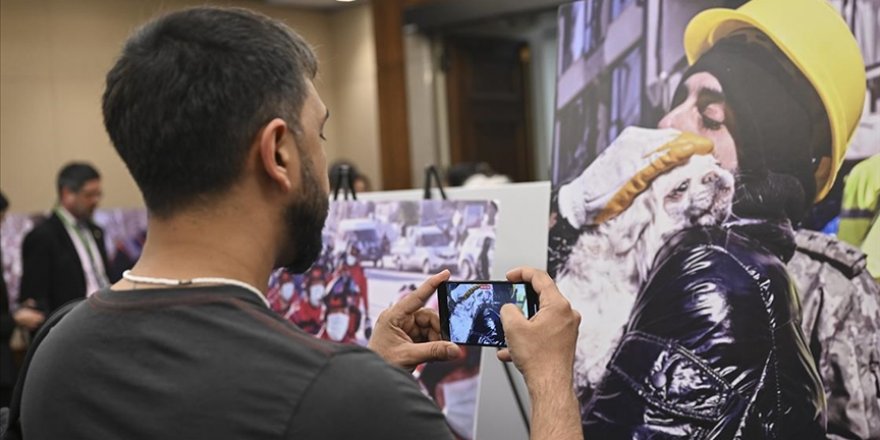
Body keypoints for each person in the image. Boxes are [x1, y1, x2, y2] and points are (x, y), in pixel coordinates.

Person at [13, 7, 582, 440]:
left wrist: (365, 375)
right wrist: (553, 375)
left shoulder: (55, 350)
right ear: (279, 153)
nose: (323, 157)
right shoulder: (352, 401)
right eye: (321, 134)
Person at [570, 0, 871, 437]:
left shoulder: (724, 273)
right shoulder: (656, 245)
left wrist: (546, 375)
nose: (670, 121)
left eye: (710, 115)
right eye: (678, 100)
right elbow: (560, 315)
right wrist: (452, 316)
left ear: (773, 147)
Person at [16, 162, 109, 326]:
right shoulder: (43, 236)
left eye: (98, 194)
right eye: (89, 195)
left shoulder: (96, 231)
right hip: (71, 326)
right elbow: (35, 301)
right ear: (67, 193)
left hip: (105, 318)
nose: (95, 201)